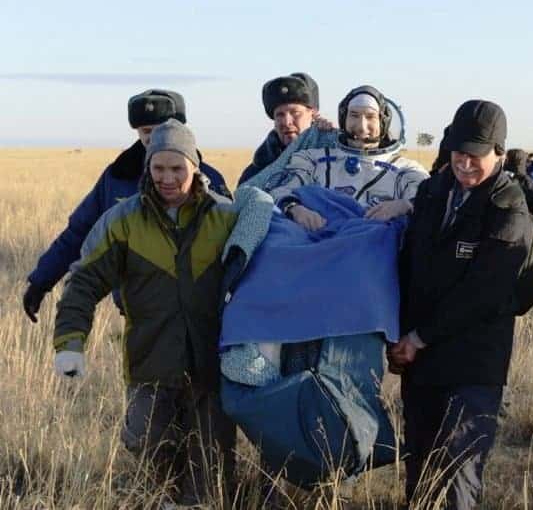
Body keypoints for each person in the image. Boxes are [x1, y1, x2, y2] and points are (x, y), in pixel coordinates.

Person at [51, 119, 273, 507]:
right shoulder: (123, 221)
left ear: (195, 168)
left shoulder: (225, 217)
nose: (167, 178)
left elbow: (265, 275)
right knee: (150, 465)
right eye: (158, 168)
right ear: (148, 168)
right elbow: (83, 282)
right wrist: (71, 342)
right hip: (149, 367)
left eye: (177, 169)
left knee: (210, 476)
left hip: (213, 371)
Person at [390, 100, 533, 509]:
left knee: (461, 469)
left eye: (476, 154)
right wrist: (400, 335)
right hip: (421, 360)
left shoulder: (509, 209)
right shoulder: (431, 191)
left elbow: (484, 292)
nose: (465, 163)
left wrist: (419, 337)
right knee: (419, 466)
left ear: (499, 153)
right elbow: (409, 268)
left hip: (474, 362)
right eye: (459, 152)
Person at [22, 89, 229, 323]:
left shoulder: (210, 180)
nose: (152, 138)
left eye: (161, 128)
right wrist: (41, 281)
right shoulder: (117, 176)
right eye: (146, 131)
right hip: (139, 316)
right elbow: (79, 231)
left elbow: (234, 244)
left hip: (203, 313)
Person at [264, 85, 428, 229]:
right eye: (354, 116)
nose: (362, 127)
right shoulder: (312, 159)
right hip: (319, 239)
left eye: (370, 117)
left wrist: (405, 205)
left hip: (372, 246)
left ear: (383, 121)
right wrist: (295, 208)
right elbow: (280, 190)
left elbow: (430, 200)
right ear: (344, 119)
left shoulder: (405, 170)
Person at [238, 72, 322, 186]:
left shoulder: (334, 160)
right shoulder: (255, 172)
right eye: (280, 115)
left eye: (295, 113)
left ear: (313, 114)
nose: (287, 122)